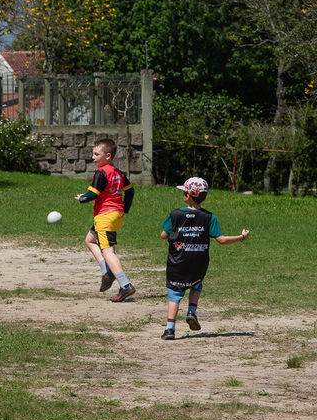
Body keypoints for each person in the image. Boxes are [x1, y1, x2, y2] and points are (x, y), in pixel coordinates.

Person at [158, 177, 250, 340]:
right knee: (196, 284)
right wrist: (241, 237)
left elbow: (163, 235)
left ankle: (170, 329)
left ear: (187, 195)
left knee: (174, 294)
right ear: (205, 196)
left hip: (177, 262)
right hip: (198, 262)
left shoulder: (175, 214)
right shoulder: (209, 217)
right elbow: (221, 240)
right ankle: (192, 311)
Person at [75, 137, 136, 302]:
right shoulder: (117, 172)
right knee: (90, 240)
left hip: (105, 216)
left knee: (107, 251)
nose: (93, 157)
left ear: (108, 156)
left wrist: (82, 198)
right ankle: (107, 273)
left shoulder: (101, 172)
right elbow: (130, 191)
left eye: (96, 154)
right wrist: (125, 209)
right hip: (116, 215)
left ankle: (125, 285)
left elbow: (93, 194)